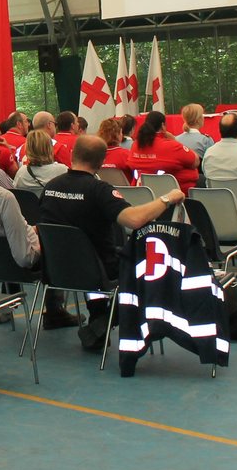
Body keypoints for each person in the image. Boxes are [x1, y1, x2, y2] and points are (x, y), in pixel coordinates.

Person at [40, 135, 185, 350]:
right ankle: (102, 322)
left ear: (72, 155)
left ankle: (98, 319)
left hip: (56, 270)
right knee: (150, 266)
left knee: (96, 258)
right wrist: (167, 199)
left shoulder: (50, 188)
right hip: (97, 270)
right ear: (100, 162)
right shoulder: (99, 190)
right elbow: (134, 219)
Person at [0, 132, 79, 329]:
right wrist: (42, 240)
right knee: (60, 244)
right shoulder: (3, 197)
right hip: (20, 261)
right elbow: (24, 256)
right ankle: (56, 310)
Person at [125, 111, 199, 192]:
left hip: (143, 194)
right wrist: (175, 140)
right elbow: (195, 161)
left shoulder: (135, 145)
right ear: (163, 126)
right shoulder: (172, 146)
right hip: (174, 195)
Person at [13, 128, 65, 203]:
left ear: (28, 148)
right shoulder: (62, 171)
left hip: (29, 213)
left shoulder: (22, 173)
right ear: (49, 147)